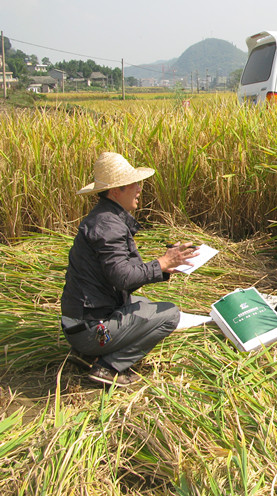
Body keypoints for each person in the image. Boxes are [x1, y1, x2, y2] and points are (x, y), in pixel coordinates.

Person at [61, 152, 199, 387]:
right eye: (133, 184)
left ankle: (86, 354)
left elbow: (121, 273)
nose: (139, 189)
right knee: (170, 315)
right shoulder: (108, 225)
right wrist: (161, 263)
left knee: (143, 304)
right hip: (90, 329)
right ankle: (109, 367)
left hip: (81, 323)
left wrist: (166, 265)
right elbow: (123, 278)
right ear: (116, 191)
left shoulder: (107, 218)